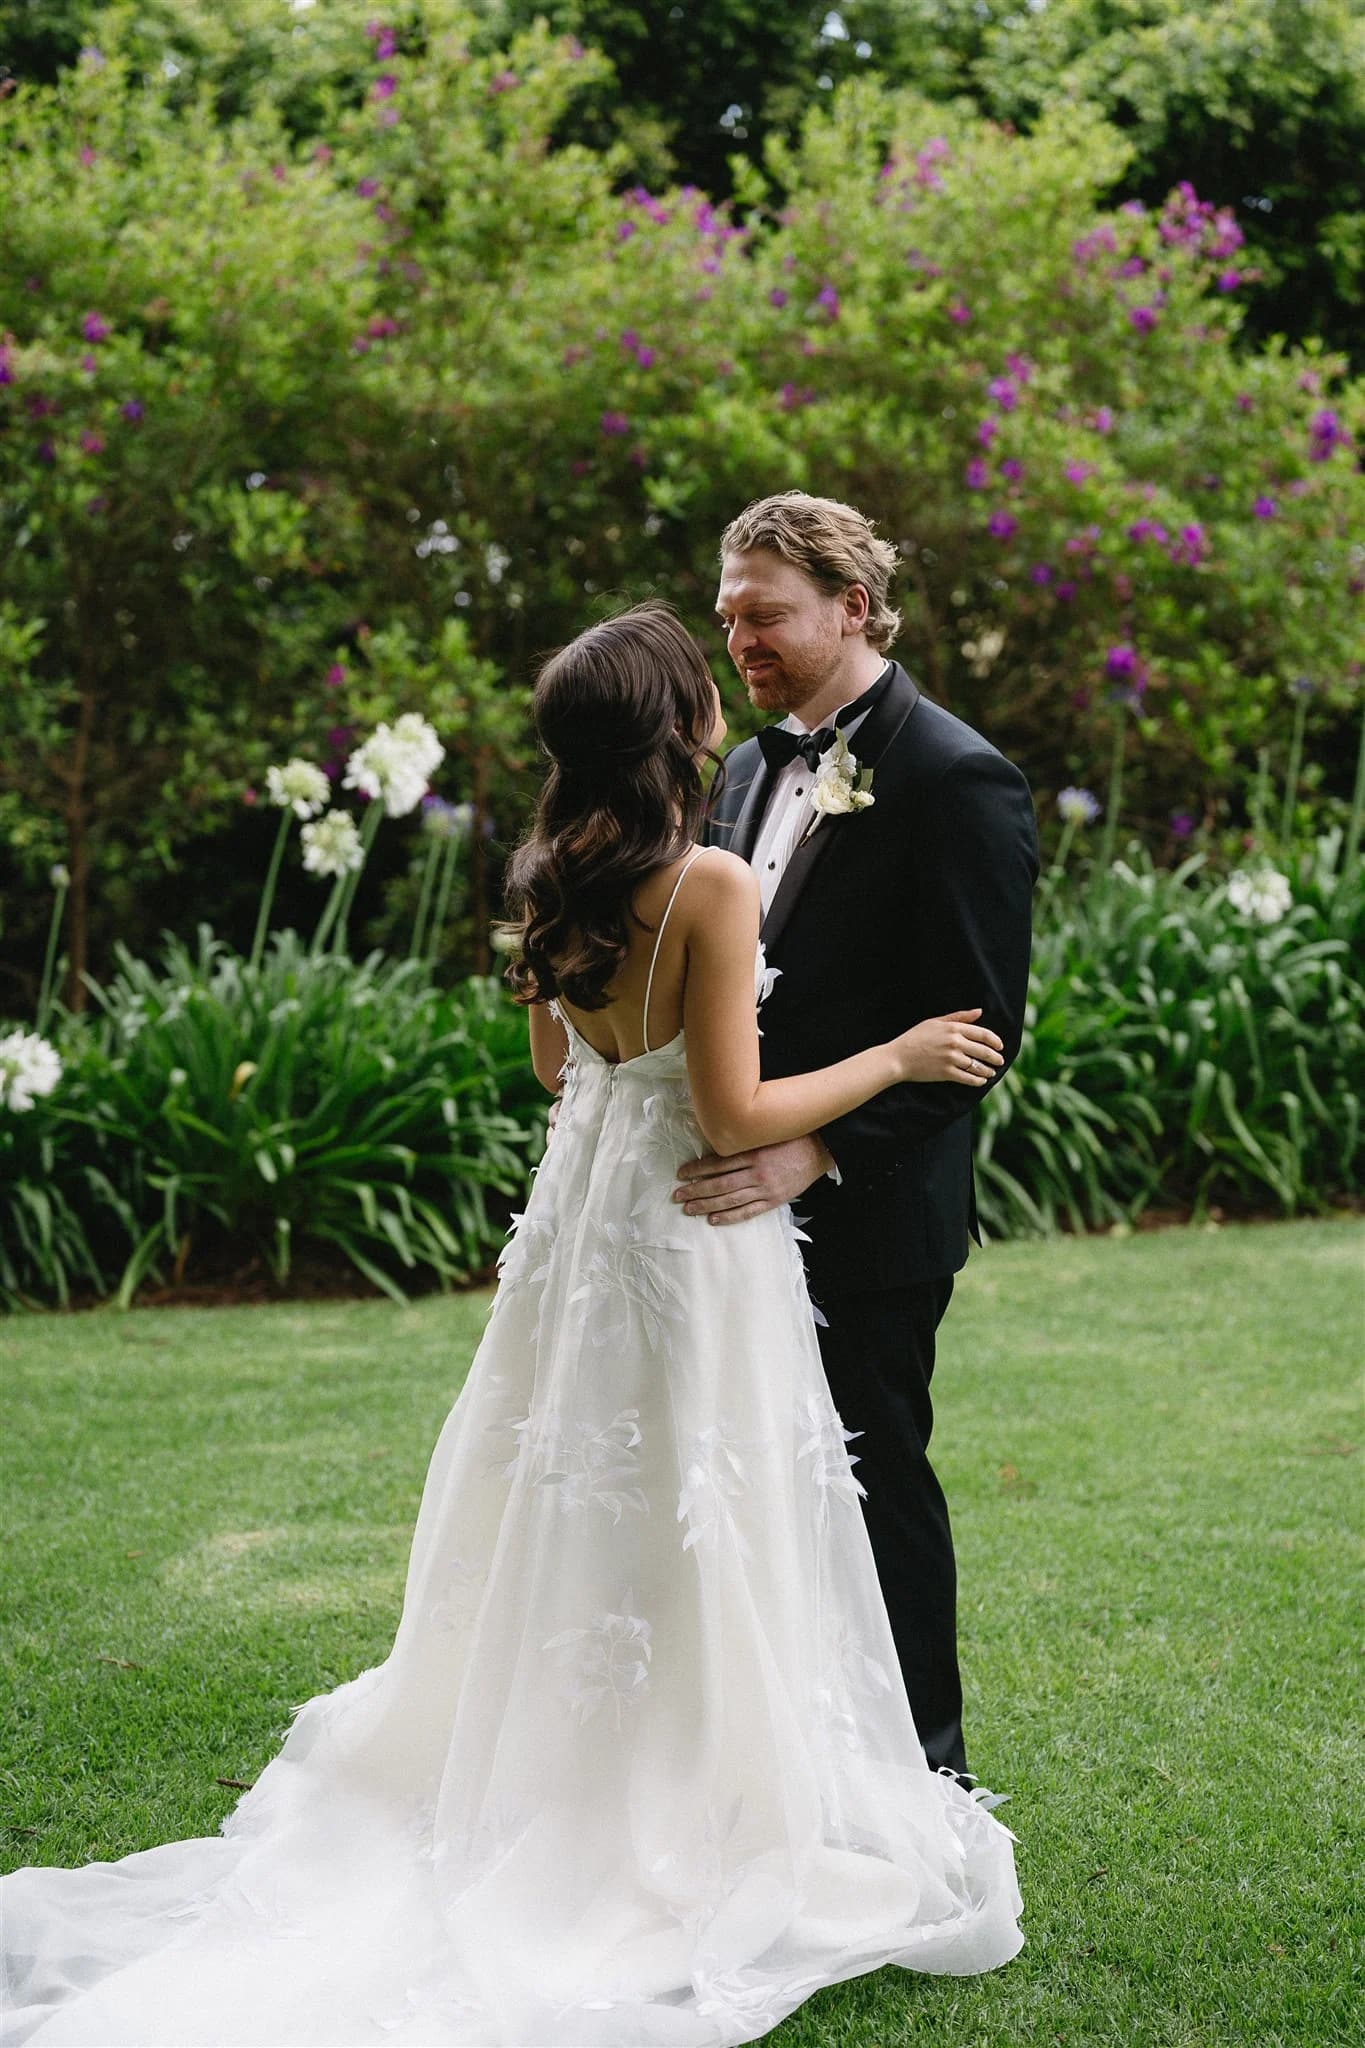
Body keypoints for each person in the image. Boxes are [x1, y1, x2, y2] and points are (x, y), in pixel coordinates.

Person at [1, 602, 1022, 2048]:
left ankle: (577, 1766)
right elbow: (731, 1114)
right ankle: (688, 1793)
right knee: (698, 1492)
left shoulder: (558, 871)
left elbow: (560, 1063)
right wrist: (895, 1056)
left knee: (586, 1497)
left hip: (585, 1229)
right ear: (679, 726)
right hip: (687, 1233)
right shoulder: (710, 884)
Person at [691, 492, 1039, 1786]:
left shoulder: (956, 777)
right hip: (728, 1201)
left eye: (765, 614)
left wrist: (817, 1154)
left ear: (852, 603)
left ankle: (925, 1779)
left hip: (869, 1219)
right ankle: (784, 1763)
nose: (741, 639)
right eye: (728, 616)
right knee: (749, 1491)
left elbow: (980, 1029)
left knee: (869, 1487)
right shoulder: (740, 769)